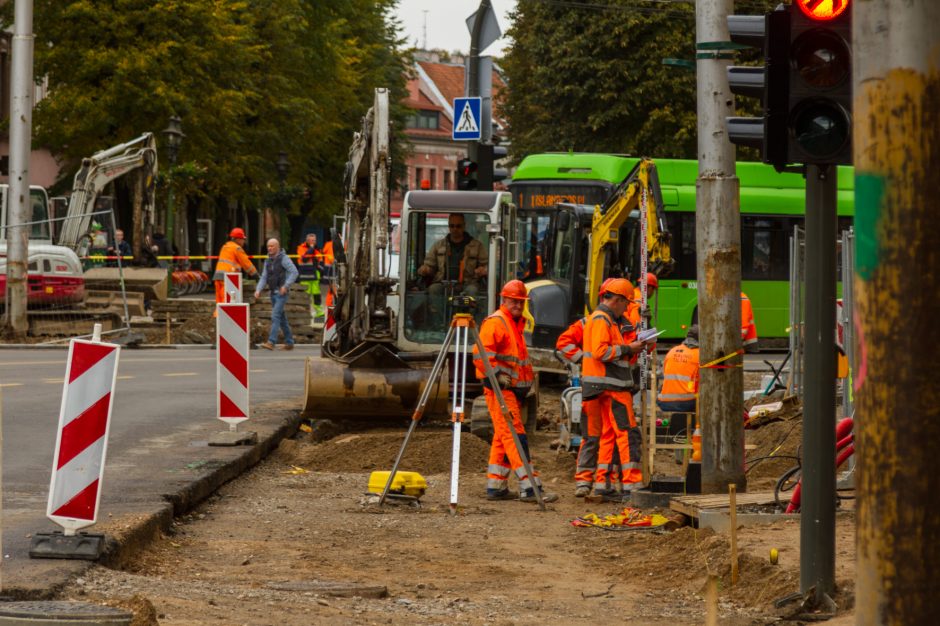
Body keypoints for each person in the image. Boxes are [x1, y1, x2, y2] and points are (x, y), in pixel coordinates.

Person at [473, 279, 557, 503]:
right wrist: (497, 376)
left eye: (521, 302)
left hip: (512, 391)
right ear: (504, 300)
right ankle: (529, 486)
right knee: (515, 435)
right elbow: (481, 355)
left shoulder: (514, 323)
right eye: (514, 301)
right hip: (500, 391)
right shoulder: (497, 322)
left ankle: (496, 485)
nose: (518, 305)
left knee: (504, 436)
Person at [582, 278, 646, 500]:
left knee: (609, 434)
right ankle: (631, 486)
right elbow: (601, 352)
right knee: (627, 433)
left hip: (606, 385)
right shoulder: (602, 319)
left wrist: (630, 347)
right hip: (612, 386)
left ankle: (604, 484)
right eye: (626, 303)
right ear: (617, 300)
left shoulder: (605, 319)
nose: (627, 308)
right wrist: (629, 347)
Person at [558, 278, 614, 498]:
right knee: (592, 435)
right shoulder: (588, 322)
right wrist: (583, 358)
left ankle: (598, 481)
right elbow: (564, 342)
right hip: (594, 387)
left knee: (604, 436)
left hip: (609, 387)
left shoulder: (615, 322)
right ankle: (585, 481)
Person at [417, 214, 488, 322]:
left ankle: (468, 323)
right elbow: (430, 265)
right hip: (444, 283)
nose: (455, 229)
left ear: (464, 226)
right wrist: (426, 269)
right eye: (452, 226)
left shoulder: (477, 246)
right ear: (449, 227)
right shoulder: (438, 245)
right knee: (434, 289)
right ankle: (441, 323)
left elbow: (487, 266)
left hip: (467, 284)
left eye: (458, 226)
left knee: (472, 291)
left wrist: (483, 270)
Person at [658, 325, 700, 461]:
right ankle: (697, 448)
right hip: (687, 401)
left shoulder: (672, 351)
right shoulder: (699, 354)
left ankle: (680, 453)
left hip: (664, 401)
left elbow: (663, 374)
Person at [254, 238, 299, 350]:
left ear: (278, 247)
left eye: (272, 246)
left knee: (275, 316)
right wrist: (258, 289)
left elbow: (294, 272)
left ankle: (271, 342)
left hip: (281, 293)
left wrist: (286, 286)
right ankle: (289, 342)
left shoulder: (284, 258)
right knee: (281, 318)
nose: (269, 248)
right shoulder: (268, 260)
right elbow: (264, 276)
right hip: (272, 293)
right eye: (268, 246)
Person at [213, 228, 259, 309]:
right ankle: (225, 320)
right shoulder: (237, 248)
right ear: (238, 239)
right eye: (243, 239)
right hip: (228, 278)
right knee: (227, 302)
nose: (244, 241)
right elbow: (247, 264)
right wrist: (256, 275)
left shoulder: (225, 246)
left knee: (219, 302)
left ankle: (218, 319)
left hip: (218, 277)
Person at [296, 233, 323, 320]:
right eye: (312, 240)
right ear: (307, 241)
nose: (313, 242)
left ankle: (319, 312)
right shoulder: (301, 248)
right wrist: (311, 249)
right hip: (305, 274)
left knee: (316, 294)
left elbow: (320, 260)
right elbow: (304, 259)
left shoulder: (317, 249)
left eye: (314, 240)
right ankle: (305, 311)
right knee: (305, 294)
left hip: (314, 274)